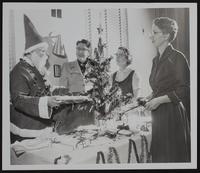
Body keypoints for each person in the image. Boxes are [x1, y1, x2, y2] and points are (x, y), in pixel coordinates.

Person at [10, 15, 63, 143]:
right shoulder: (18, 71)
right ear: (31, 52)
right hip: (26, 132)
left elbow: (47, 91)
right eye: (42, 52)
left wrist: (64, 93)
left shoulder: (37, 69)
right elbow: (19, 100)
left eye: (45, 52)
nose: (45, 56)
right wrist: (46, 102)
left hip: (43, 128)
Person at [144, 17, 190, 162]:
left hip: (172, 114)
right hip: (158, 115)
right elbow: (159, 87)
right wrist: (150, 96)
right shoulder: (155, 60)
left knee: (171, 157)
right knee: (160, 157)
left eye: (155, 32)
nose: (151, 36)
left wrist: (159, 100)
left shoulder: (178, 57)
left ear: (166, 36)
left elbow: (185, 90)